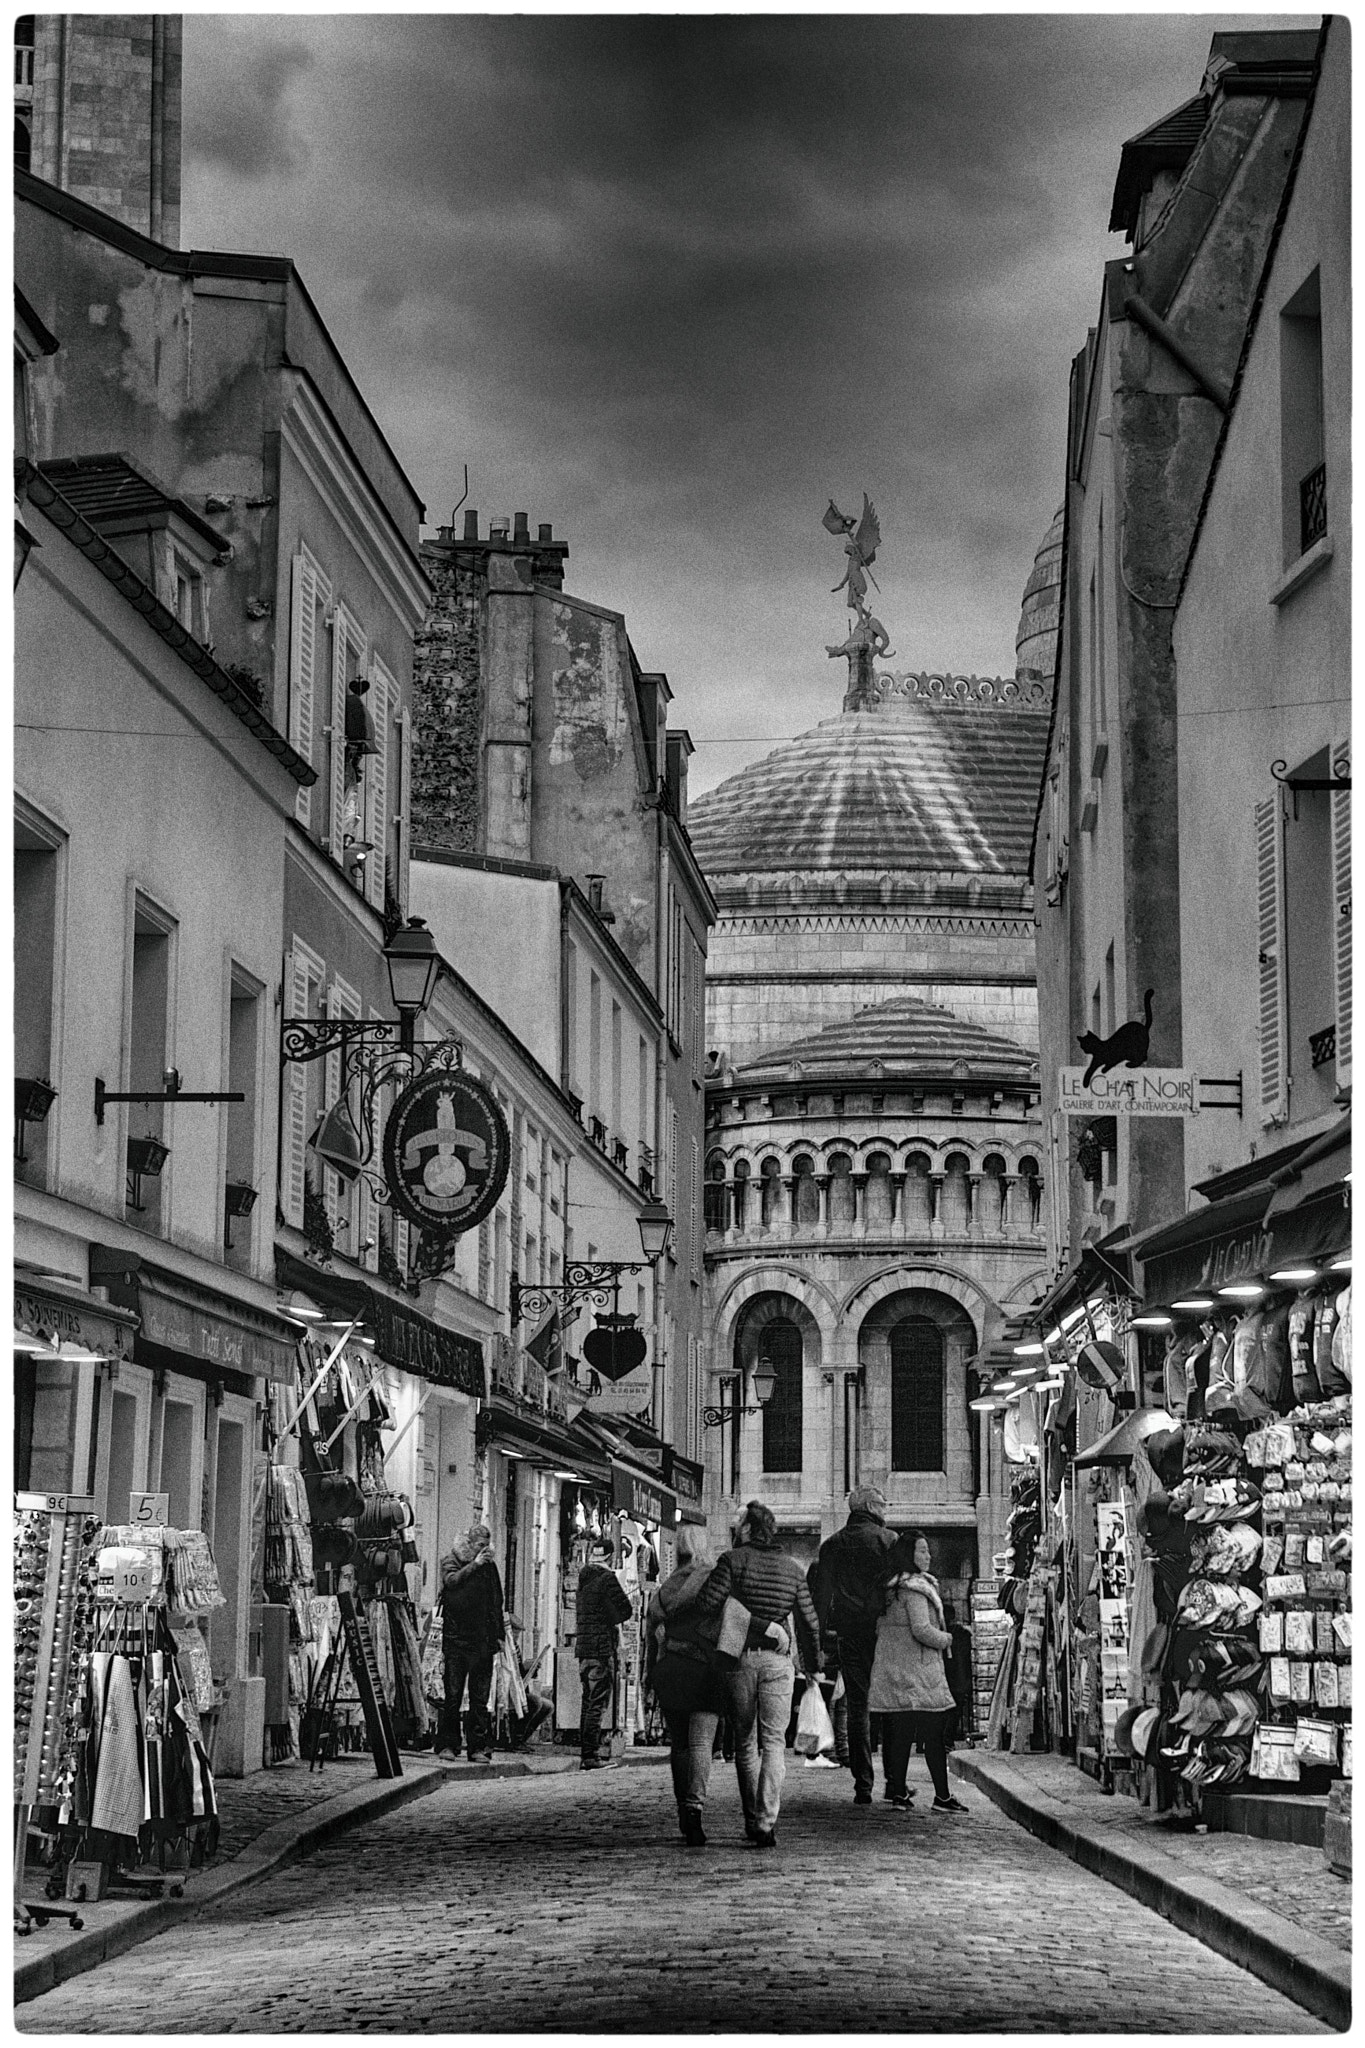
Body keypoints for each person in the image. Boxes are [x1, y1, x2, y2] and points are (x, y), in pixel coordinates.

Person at [697, 1499, 821, 1849]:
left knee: (746, 1742)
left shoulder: (732, 1561)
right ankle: (767, 1821)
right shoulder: (793, 1569)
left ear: (749, 1529)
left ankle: (752, 1819)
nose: (736, 1530)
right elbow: (810, 1622)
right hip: (779, 1662)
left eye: (740, 1525)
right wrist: (813, 1666)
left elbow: (707, 1603)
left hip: (740, 1658)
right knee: (774, 1743)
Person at [868, 1529, 969, 1815]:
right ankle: (942, 1796)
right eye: (922, 1551)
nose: (928, 1555)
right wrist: (947, 1639)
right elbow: (922, 1630)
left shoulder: (892, 1587)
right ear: (909, 1555)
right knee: (934, 1737)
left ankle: (899, 1791)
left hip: (898, 1671)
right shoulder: (914, 1589)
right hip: (919, 1674)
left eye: (928, 1550)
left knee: (901, 1735)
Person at [810, 1484, 899, 1805]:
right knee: (890, 1706)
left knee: (857, 1706)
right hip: (883, 1633)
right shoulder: (889, 1541)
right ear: (873, 1507)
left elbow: (821, 1598)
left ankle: (863, 1784)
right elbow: (896, 1592)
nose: (886, 1511)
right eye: (884, 1505)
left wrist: (819, 1641)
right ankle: (894, 1783)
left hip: (848, 1633)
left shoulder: (832, 1545)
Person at [647, 1527, 725, 1846]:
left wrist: (649, 1677)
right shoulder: (716, 1582)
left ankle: (683, 1808)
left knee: (679, 1744)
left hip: (672, 1668)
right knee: (702, 1743)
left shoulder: (665, 1587)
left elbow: (652, 1633)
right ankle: (694, 1808)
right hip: (706, 1668)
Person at [436, 1523, 504, 1763]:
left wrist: (498, 1636)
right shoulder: (452, 1560)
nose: (484, 1550)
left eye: (487, 1546)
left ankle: (477, 1747)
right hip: (456, 1639)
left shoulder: (489, 1568)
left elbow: (497, 1600)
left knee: (480, 1699)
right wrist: (474, 1565)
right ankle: (448, 1744)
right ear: (469, 1544)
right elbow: (451, 1582)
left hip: (482, 1642)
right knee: (452, 1695)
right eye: (480, 1546)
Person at [574, 1538, 633, 1770]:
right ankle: (591, 1755)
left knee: (587, 1701)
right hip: (601, 1648)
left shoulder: (583, 1579)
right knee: (598, 1702)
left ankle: (585, 1752)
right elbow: (625, 1610)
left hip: (584, 1648)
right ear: (610, 1557)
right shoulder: (608, 1578)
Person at [503, 1615, 553, 1750]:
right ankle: (516, 1739)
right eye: (514, 1634)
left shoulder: (515, 1648)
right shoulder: (503, 1646)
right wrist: (523, 1668)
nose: (516, 1638)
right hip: (506, 1691)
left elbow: (519, 1674)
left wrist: (531, 1669)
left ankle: (523, 1738)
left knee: (548, 1706)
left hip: (517, 1689)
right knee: (535, 1702)